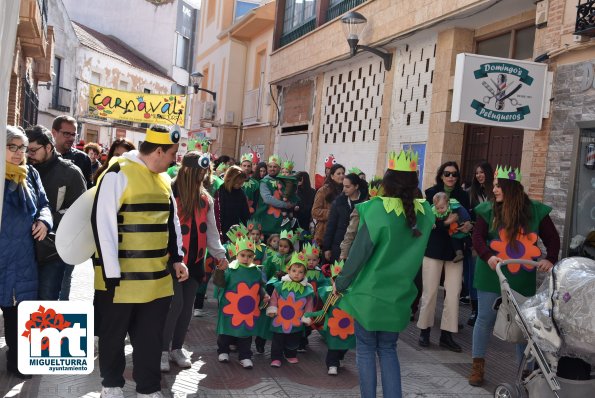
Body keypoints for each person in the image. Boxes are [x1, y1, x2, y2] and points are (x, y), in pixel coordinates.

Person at [92, 125, 188, 398]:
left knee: (150, 339)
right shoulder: (117, 173)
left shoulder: (164, 179)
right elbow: (103, 224)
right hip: (119, 280)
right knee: (113, 336)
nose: (174, 159)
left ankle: (148, 389)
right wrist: (111, 274)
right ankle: (111, 385)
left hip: (156, 280)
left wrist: (178, 258)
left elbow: (173, 222)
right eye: (171, 153)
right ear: (158, 150)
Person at [334, 149, 434, 398]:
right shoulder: (425, 213)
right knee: (388, 349)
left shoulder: (376, 209)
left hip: (369, 294)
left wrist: (341, 282)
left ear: (388, 181)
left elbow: (359, 253)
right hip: (399, 295)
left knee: (366, 350)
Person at [468, 165, 560, 387]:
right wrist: (488, 255)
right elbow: (477, 237)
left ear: (510, 188)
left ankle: (525, 373)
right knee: (484, 320)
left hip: (522, 277)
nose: (494, 189)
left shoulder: (535, 211)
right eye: (494, 185)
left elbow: (553, 239)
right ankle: (477, 366)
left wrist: (550, 258)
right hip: (492, 274)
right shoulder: (488, 210)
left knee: (524, 325)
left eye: (498, 185)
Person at [161, 151, 228, 372]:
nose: (203, 177)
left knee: (187, 307)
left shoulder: (205, 198)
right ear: (188, 171)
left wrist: (220, 255)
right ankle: (161, 349)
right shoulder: (169, 192)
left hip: (196, 261)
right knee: (174, 305)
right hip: (171, 261)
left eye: (205, 172)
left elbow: (211, 232)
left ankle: (176, 348)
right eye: (200, 172)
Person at [1, 126, 52, 380]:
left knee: (18, 313)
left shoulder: (30, 173)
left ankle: (18, 361)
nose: (18, 153)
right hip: (2, 254)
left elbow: (43, 204)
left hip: (22, 256)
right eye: (12, 147)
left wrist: (44, 221)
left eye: (22, 148)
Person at [25, 125, 87, 300]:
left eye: (32, 150)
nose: (28, 155)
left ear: (48, 147)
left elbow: (80, 212)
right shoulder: (23, 170)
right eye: (25, 150)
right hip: (24, 250)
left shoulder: (71, 173)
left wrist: (48, 219)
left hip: (54, 252)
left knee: (47, 303)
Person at [417, 161, 472, 352]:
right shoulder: (431, 193)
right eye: (447, 173)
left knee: (454, 292)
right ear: (441, 175)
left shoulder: (464, 195)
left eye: (454, 174)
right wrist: (447, 222)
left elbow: (467, 218)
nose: (451, 177)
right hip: (434, 248)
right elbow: (427, 222)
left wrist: (468, 225)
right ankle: (424, 330)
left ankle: (447, 335)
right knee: (430, 291)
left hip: (456, 251)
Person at [213, 237, 268, 369]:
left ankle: (245, 356)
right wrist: (220, 271)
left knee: (246, 333)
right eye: (243, 255)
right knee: (226, 331)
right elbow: (220, 283)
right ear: (237, 254)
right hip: (230, 308)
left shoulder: (256, 271)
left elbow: (259, 286)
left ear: (253, 256)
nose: (246, 258)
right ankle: (223, 351)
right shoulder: (231, 269)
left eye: (249, 256)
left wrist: (264, 294)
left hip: (248, 310)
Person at [306, 259, 354, 376]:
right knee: (334, 344)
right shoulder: (329, 294)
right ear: (332, 280)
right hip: (333, 325)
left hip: (349, 326)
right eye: (336, 279)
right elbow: (323, 309)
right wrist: (312, 317)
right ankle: (332, 364)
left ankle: (339, 358)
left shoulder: (353, 294)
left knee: (346, 343)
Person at [266, 251, 314, 367]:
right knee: (278, 339)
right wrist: (272, 308)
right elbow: (274, 298)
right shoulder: (280, 285)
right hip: (280, 319)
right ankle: (276, 357)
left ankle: (290, 354)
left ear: (304, 274)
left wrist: (306, 316)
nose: (297, 274)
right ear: (288, 271)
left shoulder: (307, 290)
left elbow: (309, 304)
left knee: (294, 338)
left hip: (296, 320)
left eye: (300, 272)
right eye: (294, 271)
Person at [466, 161, 494, 326]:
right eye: (477, 173)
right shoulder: (471, 194)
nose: (479, 175)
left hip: (495, 239)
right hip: (476, 238)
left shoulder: (496, 192)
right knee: (474, 275)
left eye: (482, 172)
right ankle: (475, 310)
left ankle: (490, 310)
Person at [323, 173, 367, 264]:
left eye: (347, 187)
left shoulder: (365, 202)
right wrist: (327, 248)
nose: (344, 189)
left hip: (358, 245)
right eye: (343, 186)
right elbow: (331, 226)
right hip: (338, 245)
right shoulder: (338, 202)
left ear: (356, 186)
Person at [254, 155, 297, 236]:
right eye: (270, 166)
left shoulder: (285, 180)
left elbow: (293, 195)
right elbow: (267, 199)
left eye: (275, 167)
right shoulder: (264, 182)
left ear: (279, 168)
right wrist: (285, 205)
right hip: (267, 220)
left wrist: (293, 203)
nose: (272, 169)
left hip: (282, 221)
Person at [51, 115, 93, 188]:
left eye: (73, 134)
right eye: (66, 134)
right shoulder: (44, 156)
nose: (71, 138)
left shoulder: (83, 159)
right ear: (54, 133)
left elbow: (87, 189)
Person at [431, 192, 471, 263]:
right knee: (454, 240)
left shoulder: (454, 206)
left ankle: (472, 247)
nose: (440, 210)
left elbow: (462, 211)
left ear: (448, 203)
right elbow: (431, 217)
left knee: (466, 237)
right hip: (452, 231)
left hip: (461, 225)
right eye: (437, 208)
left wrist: (467, 221)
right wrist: (433, 223)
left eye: (442, 208)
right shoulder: (434, 210)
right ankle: (459, 254)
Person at [215, 166, 250, 242]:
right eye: (237, 183)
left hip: (234, 229)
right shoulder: (221, 190)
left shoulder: (240, 193)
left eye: (241, 183)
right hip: (220, 227)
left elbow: (245, 214)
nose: (239, 185)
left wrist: (248, 228)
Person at [312, 163, 345, 246]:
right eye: (338, 173)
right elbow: (315, 211)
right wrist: (332, 213)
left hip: (340, 234)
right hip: (323, 234)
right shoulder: (323, 190)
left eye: (343, 173)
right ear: (332, 176)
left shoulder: (345, 191)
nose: (342, 176)